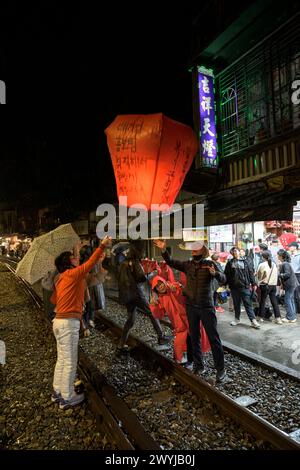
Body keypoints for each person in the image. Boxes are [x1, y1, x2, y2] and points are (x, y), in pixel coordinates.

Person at [50, 235, 112, 409]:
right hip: (68, 323)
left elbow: (54, 300)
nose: (76, 258)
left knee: (62, 360)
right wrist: (101, 246)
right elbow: (88, 264)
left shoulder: (62, 277)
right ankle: (68, 397)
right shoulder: (72, 274)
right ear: (69, 263)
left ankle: (58, 392)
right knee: (69, 361)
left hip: (59, 321)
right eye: (73, 257)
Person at [153, 239, 226, 382]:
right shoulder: (188, 265)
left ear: (203, 250)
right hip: (191, 307)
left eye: (196, 248)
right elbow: (171, 262)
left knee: (214, 338)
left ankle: (221, 369)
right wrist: (163, 250)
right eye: (192, 248)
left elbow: (224, 279)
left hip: (206, 306)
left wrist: (215, 274)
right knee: (194, 338)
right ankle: (199, 366)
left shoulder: (211, 264)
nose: (193, 249)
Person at [117, 240, 170, 352]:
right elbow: (141, 278)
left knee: (130, 320)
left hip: (127, 296)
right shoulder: (135, 262)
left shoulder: (123, 263)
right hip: (136, 294)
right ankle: (161, 337)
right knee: (151, 312)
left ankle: (121, 344)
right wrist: (154, 272)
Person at [150, 276, 211, 365]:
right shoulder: (161, 299)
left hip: (191, 319)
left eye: (161, 284)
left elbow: (185, 297)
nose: (160, 287)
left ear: (164, 282)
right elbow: (158, 315)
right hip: (180, 327)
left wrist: (176, 291)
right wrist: (153, 305)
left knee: (196, 341)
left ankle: (196, 362)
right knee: (179, 346)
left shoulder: (175, 286)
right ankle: (186, 361)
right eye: (157, 286)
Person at [224, 246, 260, 329]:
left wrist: (253, 283)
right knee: (236, 304)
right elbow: (227, 274)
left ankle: (253, 321)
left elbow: (250, 273)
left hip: (245, 286)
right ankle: (237, 319)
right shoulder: (230, 263)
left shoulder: (246, 261)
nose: (235, 253)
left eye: (236, 251)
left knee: (248, 304)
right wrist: (225, 284)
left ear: (239, 252)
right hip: (234, 287)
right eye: (233, 252)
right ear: (232, 254)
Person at [257, 251, 282, 324]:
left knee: (262, 301)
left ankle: (260, 317)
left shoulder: (262, 265)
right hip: (273, 285)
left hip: (265, 285)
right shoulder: (274, 264)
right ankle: (278, 318)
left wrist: (260, 279)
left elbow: (259, 275)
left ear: (263, 257)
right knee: (274, 302)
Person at [277, 249, 298, 323]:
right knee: (290, 300)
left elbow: (287, 274)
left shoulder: (285, 264)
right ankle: (292, 316)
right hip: (292, 284)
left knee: (287, 300)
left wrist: (278, 275)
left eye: (278, 255)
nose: (277, 257)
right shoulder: (286, 263)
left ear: (281, 256)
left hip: (290, 284)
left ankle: (290, 317)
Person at [288, 241, 300, 315]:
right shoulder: (290, 255)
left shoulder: (298, 256)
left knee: (297, 293)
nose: (289, 247)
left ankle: (298, 310)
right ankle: (295, 309)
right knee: (293, 293)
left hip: (297, 275)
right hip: (292, 275)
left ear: (295, 247)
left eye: (290, 246)